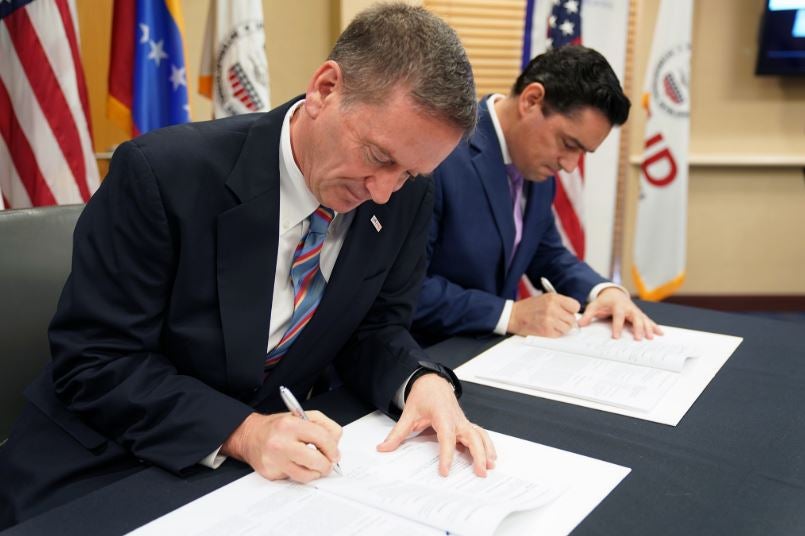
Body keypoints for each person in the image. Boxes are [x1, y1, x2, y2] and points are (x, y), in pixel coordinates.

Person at [0, 3, 496, 529]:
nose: (382, 191)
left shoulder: (404, 197)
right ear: (325, 89)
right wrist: (244, 431)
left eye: (410, 173)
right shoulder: (163, 174)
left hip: (256, 478)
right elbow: (97, 360)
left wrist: (419, 379)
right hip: (103, 459)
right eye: (377, 156)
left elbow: (375, 329)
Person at [413, 45, 662, 345]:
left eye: (583, 152)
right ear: (531, 100)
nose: (570, 166)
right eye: (569, 144)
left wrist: (603, 291)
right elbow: (407, 289)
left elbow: (546, 253)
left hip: (494, 350)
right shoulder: (440, 153)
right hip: (429, 354)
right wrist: (510, 314)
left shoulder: (535, 163)